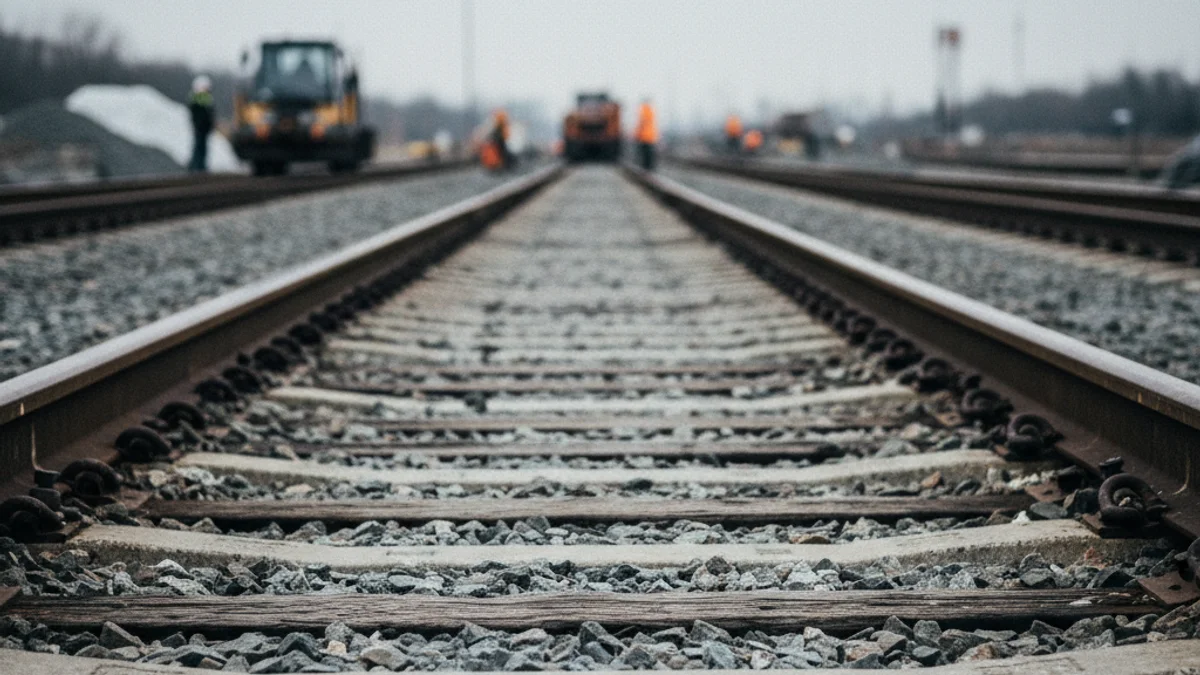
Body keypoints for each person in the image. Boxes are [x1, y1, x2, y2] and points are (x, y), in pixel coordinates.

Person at [187, 75, 215, 173]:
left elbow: (209, 114)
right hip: (200, 127)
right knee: (199, 146)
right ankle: (196, 166)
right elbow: (199, 114)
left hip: (204, 127)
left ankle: (200, 166)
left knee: (202, 147)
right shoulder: (198, 98)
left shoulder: (206, 98)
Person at [634, 99, 658, 170]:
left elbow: (641, 124)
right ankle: (649, 166)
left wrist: (637, 134)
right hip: (651, 136)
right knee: (649, 153)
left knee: (645, 153)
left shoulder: (643, 111)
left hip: (644, 136)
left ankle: (646, 167)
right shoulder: (651, 111)